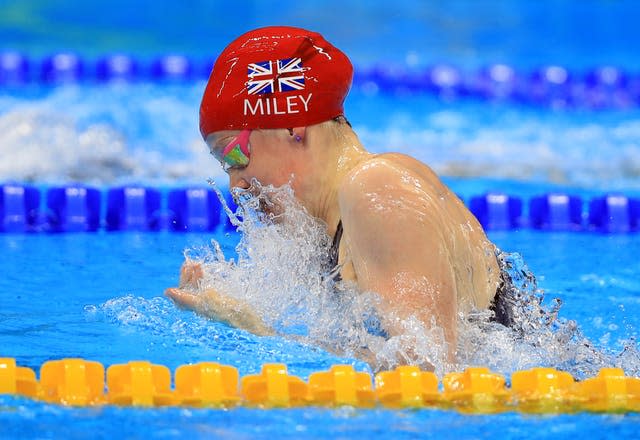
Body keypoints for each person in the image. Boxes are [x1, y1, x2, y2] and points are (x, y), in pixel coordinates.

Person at [165, 26, 508, 367]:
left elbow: (428, 370)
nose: (235, 186)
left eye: (233, 155)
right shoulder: (334, 227)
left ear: (291, 126)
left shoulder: (376, 188)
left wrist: (254, 329)